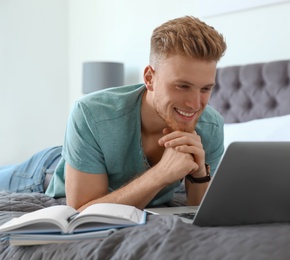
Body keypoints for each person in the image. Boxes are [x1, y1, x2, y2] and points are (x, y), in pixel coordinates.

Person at [0, 16, 227, 211]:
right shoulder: (91, 113)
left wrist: (199, 173)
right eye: (182, 86)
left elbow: (196, 210)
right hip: (46, 171)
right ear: (150, 78)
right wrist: (160, 174)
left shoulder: (211, 126)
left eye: (206, 89)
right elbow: (81, 210)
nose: (194, 104)